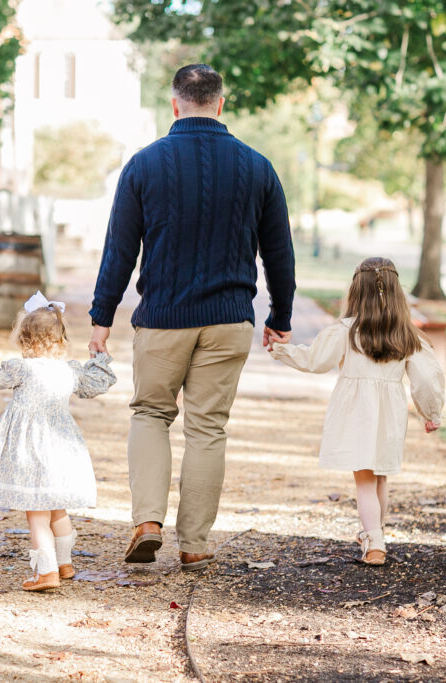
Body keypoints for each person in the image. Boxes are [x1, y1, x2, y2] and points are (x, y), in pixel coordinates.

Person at [88, 64, 296, 571]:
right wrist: (280, 316)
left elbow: (119, 250)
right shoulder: (257, 167)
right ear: (220, 104)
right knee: (207, 429)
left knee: (151, 415)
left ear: (176, 104)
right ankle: (196, 543)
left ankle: (148, 522)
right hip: (228, 320)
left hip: (163, 318)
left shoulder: (144, 165)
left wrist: (101, 317)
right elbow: (280, 254)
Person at [269, 257, 445, 564]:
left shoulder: (346, 331)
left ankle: (374, 543)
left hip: (356, 414)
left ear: (355, 291)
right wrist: (431, 413)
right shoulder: (407, 335)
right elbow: (427, 377)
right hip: (389, 416)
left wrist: (280, 349)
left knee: (364, 480)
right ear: (397, 292)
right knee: (380, 478)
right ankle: (377, 534)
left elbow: (315, 360)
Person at [0, 292, 117, 591]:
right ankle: (64, 563)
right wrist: (100, 357)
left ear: (24, 339)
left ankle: (46, 572)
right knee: (57, 509)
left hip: (30, 451)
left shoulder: (21, 368)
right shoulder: (70, 371)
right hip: (61, 448)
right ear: (61, 339)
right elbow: (97, 384)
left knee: (36, 514)